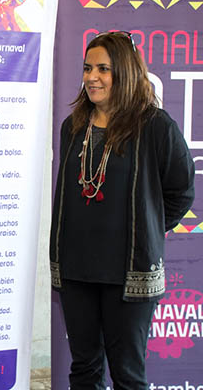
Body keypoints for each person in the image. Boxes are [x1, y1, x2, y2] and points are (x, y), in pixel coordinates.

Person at [50, 31, 195, 389]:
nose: (92, 77)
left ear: (126, 72)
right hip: (77, 270)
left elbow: (181, 192)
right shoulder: (73, 126)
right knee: (84, 370)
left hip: (130, 273)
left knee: (127, 375)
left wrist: (147, 228)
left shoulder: (156, 126)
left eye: (103, 69)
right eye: (87, 68)